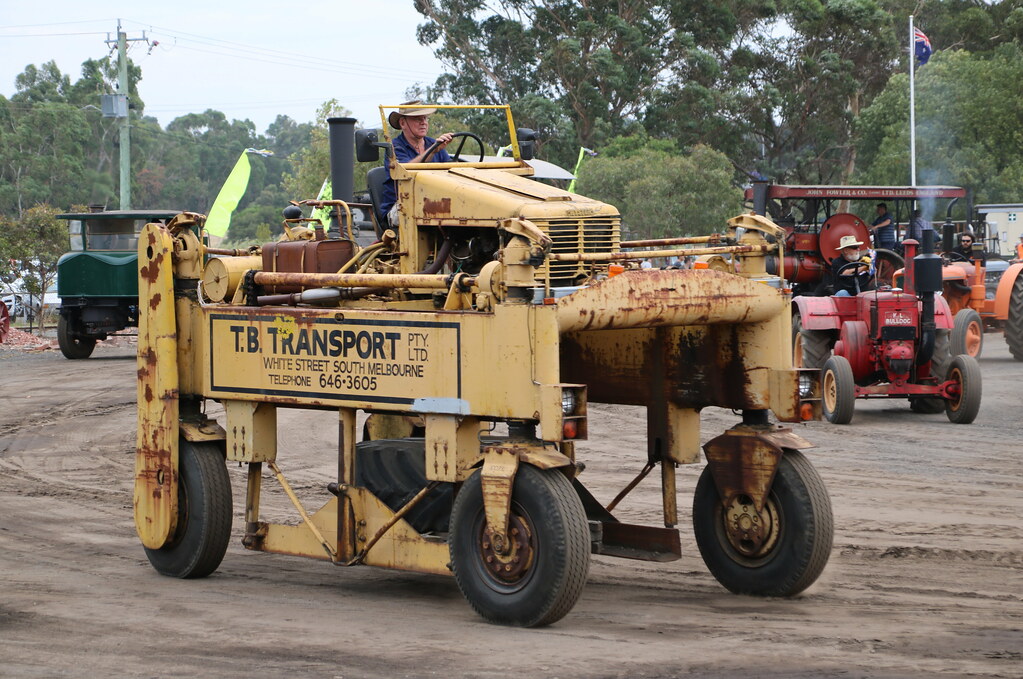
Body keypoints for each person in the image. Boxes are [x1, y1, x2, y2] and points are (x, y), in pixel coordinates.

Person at [379, 101, 455, 226]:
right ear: (403, 123)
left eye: (425, 118)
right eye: (417, 119)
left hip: (435, 200)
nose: (423, 122)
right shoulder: (394, 148)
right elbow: (406, 171)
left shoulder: (434, 144)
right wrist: (433, 151)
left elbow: (451, 172)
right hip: (401, 205)